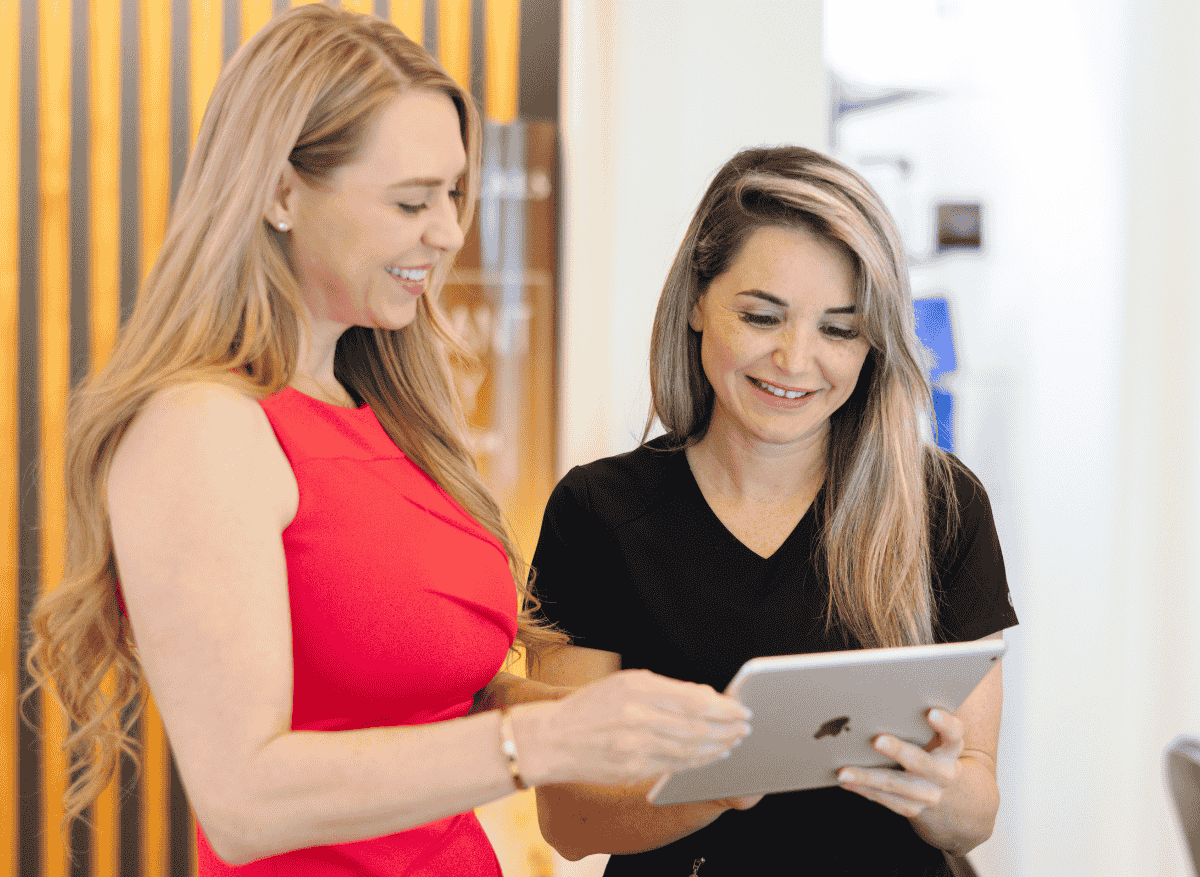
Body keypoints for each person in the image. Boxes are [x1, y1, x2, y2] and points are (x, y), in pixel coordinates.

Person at [22, 6, 753, 875]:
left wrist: (636, 725)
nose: (446, 231)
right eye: (412, 201)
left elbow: (433, 701)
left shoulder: (385, 412)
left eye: (452, 194)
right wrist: (547, 734)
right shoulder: (201, 429)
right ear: (280, 193)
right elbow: (244, 798)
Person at [527, 146, 1019, 876]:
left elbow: (973, 816)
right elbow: (568, 819)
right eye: (763, 316)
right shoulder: (599, 513)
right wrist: (722, 787)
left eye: (839, 329)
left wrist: (937, 790)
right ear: (696, 300)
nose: (795, 359)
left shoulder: (941, 507)